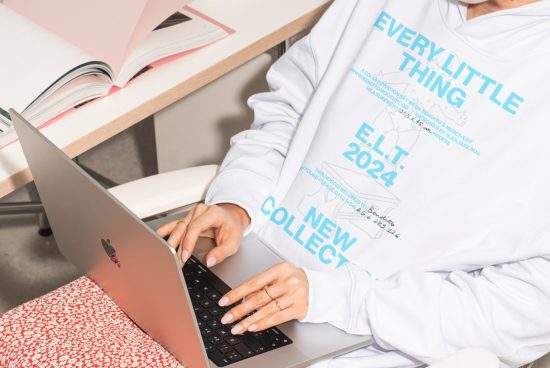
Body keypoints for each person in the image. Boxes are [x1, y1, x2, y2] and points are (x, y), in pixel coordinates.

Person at [157, 0, 550, 366]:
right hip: (239, 264)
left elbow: (526, 309)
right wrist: (238, 204)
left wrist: (341, 298)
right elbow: (290, 108)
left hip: (365, 342)